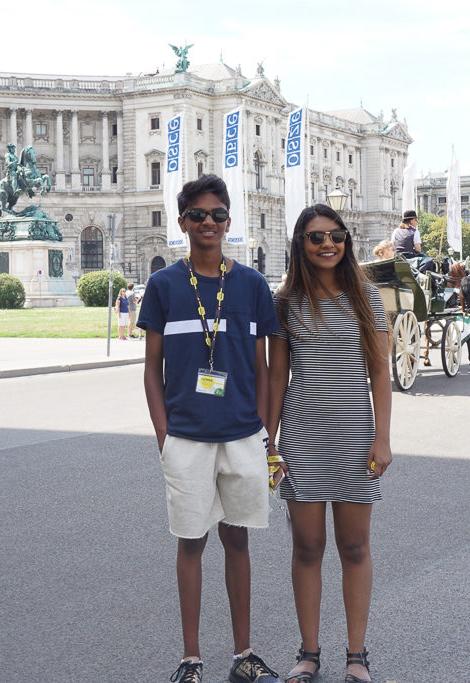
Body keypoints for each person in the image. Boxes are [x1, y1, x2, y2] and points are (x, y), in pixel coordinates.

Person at [137, 174, 281, 683]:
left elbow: (264, 367)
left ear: (228, 221)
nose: (209, 223)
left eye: (218, 214)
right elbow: (151, 369)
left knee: (238, 541)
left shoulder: (252, 284)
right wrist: (163, 435)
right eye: (198, 215)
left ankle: (244, 654)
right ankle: (191, 658)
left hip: (243, 435)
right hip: (187, 438)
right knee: (191, 542)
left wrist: (266, 432)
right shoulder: (163, 286)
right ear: (182, 223)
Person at [267, 204, 392, 683]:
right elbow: (278, 376)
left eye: (335, 236)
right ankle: (309, 654)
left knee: (356, 546)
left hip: (355, 436)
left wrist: (382, 438)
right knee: (307, 547)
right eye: (317, 237)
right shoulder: (286, 302)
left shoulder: (366, 296)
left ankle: (356, 657)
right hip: (301, 438)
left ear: (346, 241)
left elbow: (380, 371)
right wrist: (270, 442)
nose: (327, 245)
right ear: (301, 243)